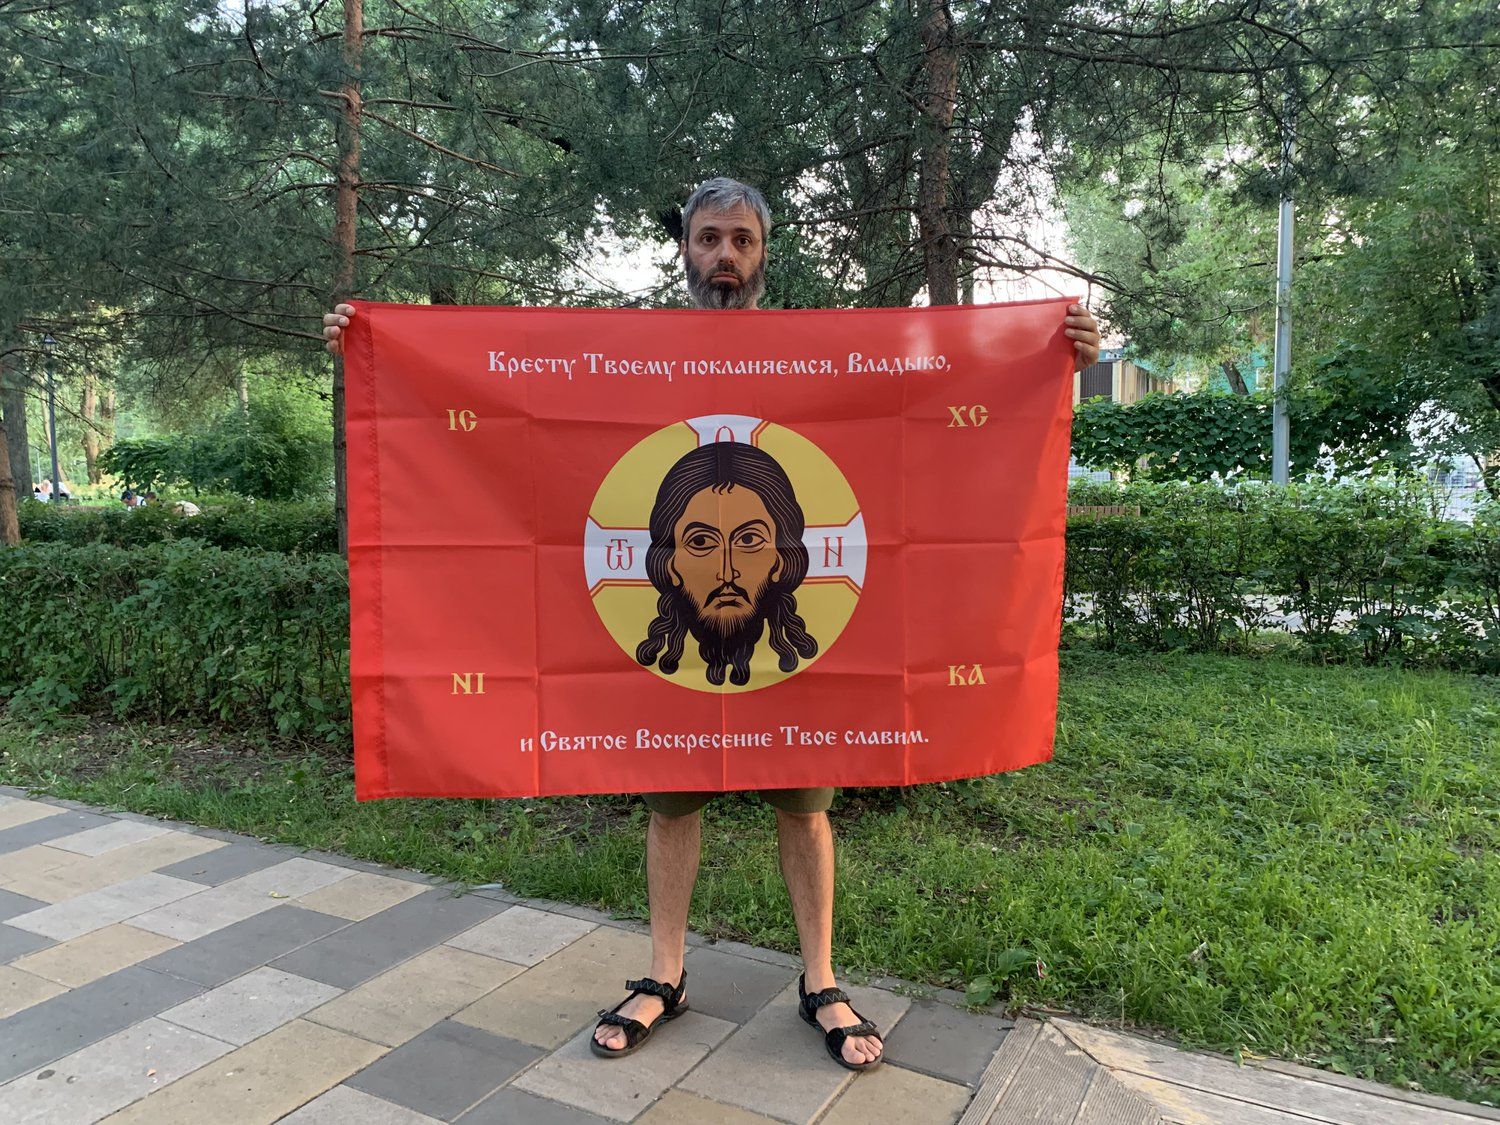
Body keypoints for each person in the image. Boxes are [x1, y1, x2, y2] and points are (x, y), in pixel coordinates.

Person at [322, 178, 1101, 1072]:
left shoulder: (819, 358)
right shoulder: (630, 356)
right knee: (670, 806)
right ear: (685, 249)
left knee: (806, 809)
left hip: (796, 656)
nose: (724, 255)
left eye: (741, 239)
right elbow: (517, 415)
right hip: (671, 656)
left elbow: (931, 406)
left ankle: (820, 980)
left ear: (764, 253)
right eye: (707, 238)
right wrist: (373, 348)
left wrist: (1051, 357)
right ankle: (665, 973)